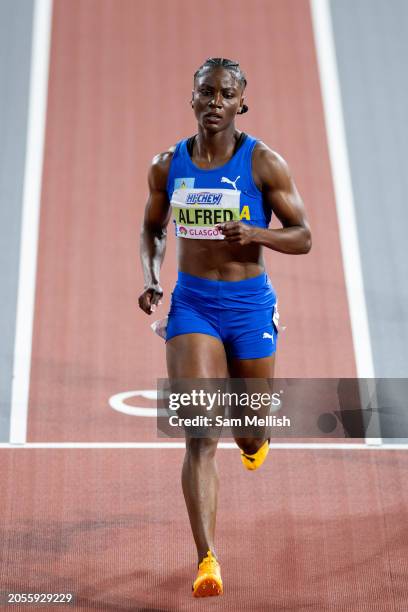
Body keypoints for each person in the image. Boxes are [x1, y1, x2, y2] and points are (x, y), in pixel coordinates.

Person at [139, 57, 312, 597]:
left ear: (242, 103)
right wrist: (151, 277)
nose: (214, 101)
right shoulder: (168, 165)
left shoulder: (264, 164)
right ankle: (207, 558)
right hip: (192, 307)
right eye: (205, 92)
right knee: (200, 432)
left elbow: (303, 235)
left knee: (250, 428)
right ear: (191, 99)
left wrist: (257, 235)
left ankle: (255, 441)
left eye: (225, 93)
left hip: (248, 307)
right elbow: (152, 228)